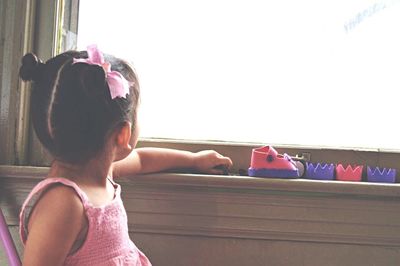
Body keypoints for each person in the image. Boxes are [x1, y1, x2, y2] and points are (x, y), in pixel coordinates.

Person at [18, 44, 232, 266]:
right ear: (123, 135)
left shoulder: (101, 171)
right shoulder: (64, 204)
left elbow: (142, 160)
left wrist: (194, 160)